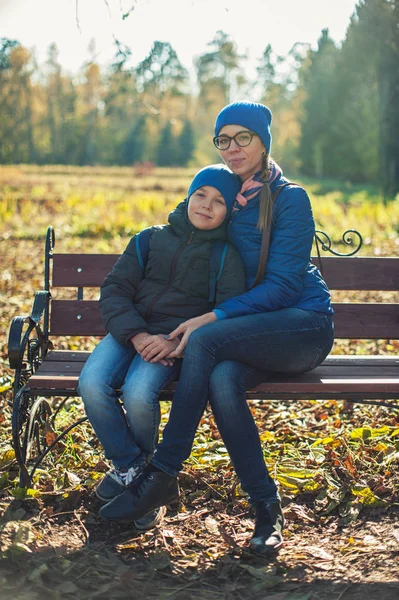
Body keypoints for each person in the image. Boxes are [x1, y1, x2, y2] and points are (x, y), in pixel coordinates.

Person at [100, 101, 334, 554]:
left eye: (242, 137)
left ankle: (162, 474)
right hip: (250, 333)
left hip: (301, 327)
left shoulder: (289, 198)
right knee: (223, 380)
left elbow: (285, 286)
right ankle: (267, 508)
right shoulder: (228, 196)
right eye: (222, 140)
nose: (232, 148)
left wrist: (214, 316)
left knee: (205, 339)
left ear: (264, 140)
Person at [78, 164, 246, 530]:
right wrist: (136, 334)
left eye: (219, 201)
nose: (206, 205)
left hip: (175, 342)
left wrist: (177, 344)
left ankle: (144, 484)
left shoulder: (225, 257)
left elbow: (224, 314)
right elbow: (115, 290)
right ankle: (136, 471)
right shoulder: (149, 239)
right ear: (188, 196)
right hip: (130, 333)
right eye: (200, 195)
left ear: (229, 210)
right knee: (91, 383)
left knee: (139, 392)